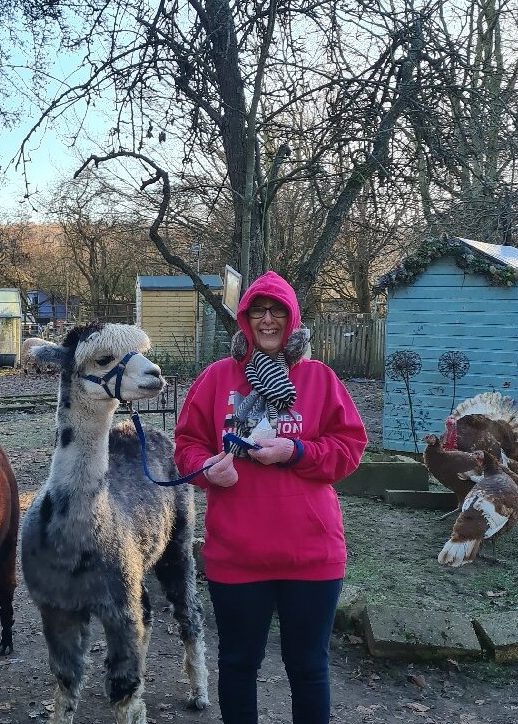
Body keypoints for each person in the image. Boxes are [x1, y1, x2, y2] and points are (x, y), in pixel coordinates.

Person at [174, 270, 367, 724]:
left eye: (277, 311)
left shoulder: (319, 379)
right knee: (239, 664)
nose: (267, 320)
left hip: (311, 556)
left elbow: (350, 448)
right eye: (258, 310)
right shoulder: (218, 378)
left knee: (308, 668)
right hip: (237, 556)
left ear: (291, 319)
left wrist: (296, 450)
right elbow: (186, 445)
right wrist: (205, 469)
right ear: (244, 319)